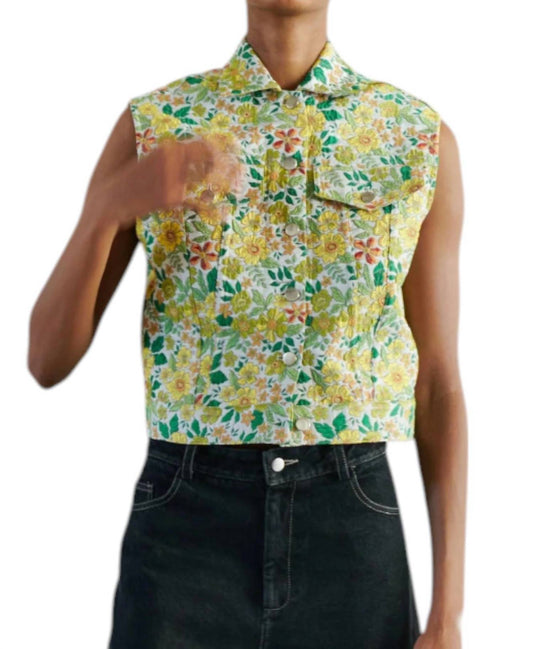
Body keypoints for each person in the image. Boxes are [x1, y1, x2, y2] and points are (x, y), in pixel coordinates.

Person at [28, 1, 467, 648]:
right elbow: (46, 359)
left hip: (351, 532)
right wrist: (106, 210)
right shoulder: (158, 124)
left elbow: (437, 385)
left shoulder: (413, 137)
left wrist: (448, 614)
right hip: (184, 530)